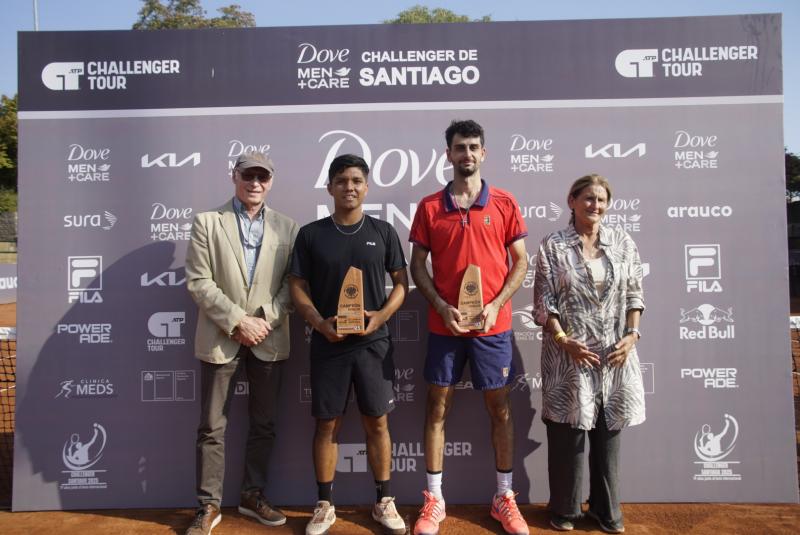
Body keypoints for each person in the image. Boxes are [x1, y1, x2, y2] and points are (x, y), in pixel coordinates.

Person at [409, 120, 530, 535]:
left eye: (474, 147)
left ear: (484, 153)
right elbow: (416, 267)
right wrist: (442, 306)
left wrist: (495, 304)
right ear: (448, 154)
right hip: (446, 327)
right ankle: (434, 499)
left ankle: (503, 496)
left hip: (492, 329)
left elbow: (521, 262)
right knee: (437, 408)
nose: (467, 154)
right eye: (459, 147)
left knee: (499, 409)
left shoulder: (504, 202)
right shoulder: (429, 207)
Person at [289, 154, 409, 535]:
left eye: (357, 180)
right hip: (329, 343)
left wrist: (381, 317)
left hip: (374, 344)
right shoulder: (311, 235)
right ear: (330, 187)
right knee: (328, 425)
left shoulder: (384, 231)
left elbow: (402, 284)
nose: (350, 187)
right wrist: (318, 323)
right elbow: (296, 286)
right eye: (342, 181)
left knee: (378, 423)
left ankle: (384, 501)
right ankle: (324, 504)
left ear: (366, 186)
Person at [184, 151, 298, 535]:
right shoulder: (206, 222)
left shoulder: (288, 227)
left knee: (264, 423)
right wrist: (237, 321)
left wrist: (264, 320)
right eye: (248, 175)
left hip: (269, 336)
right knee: (212, 426)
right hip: (222, 336)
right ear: (234, 176)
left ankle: (252, 495)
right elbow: (199, 281)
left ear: (270, 181)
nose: (255, 183)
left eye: (262, 177)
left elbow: (292, 286)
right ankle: (208, 505)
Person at [533, 174, 646, 534]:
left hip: (614, 354)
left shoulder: (623, 243)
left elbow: (634, 295)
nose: (594, 205)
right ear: (572, 201)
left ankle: (605, 508)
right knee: (567, 433)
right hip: (568, 355)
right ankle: (565, 509)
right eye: (587, 199)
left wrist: (631, 335)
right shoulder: (553, 245)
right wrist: (564, 338)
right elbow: (543, 302)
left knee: (607, 434)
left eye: (601, 200)